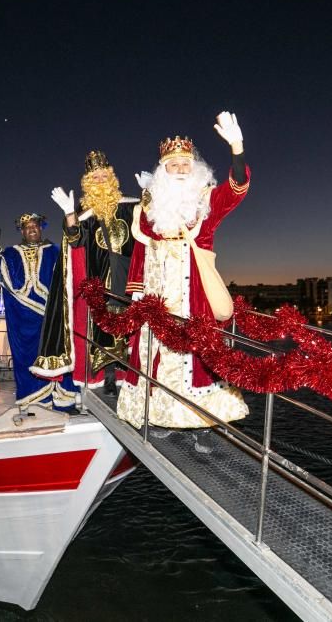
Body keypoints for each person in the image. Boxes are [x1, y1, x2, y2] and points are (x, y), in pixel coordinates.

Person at [116, 111, 250, 450]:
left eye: (185, 165)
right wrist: (136, 293)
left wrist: (237, 149)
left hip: (194, 295)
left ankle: (203, 423)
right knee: (156, 357)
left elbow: (235, 191)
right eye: (173, 165)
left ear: (196, 169)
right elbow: (140, 254)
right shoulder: (148, 210)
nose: (179, 170)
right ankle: (162, 416)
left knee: (197, 356)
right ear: (162, 171)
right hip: (157, 294)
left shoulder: (206, 202)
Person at [31, 150, 137, 395]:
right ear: (88, 182)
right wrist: (70, 214)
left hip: (129, 281)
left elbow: (150, 229)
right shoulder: (83, 214)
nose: (100, 179)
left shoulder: (131, 208)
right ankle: (101, 382)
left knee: (128, 331)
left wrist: (149, 195)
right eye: (95, 176)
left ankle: (128, 383)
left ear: (111, 178)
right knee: (99, 333)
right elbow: (75, 241)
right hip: (98, 283)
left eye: (103, 175)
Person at [0, 214, 79, 410]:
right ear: (22, 232)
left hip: (51, 316)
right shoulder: (11, 253)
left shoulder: (54, 252)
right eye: (27, 227)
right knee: (26, 357)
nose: (32, 229)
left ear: (41, 229)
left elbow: (70, 272)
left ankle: (62, 399)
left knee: (58, 354)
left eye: (35, 226)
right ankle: (34, 400)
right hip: (22, 318)